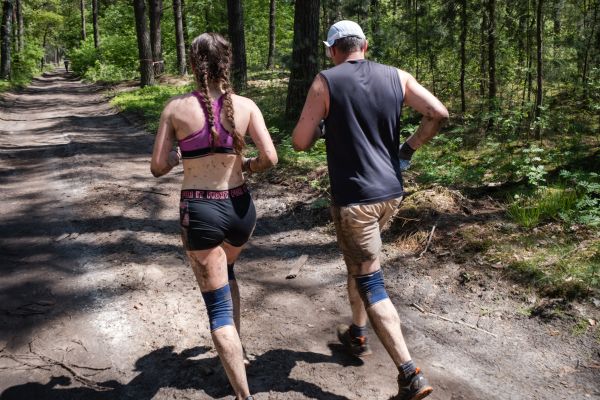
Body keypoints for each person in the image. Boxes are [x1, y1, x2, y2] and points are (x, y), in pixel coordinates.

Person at [291, 20, 448, 400]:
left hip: (355, 199)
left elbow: (299, 142)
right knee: (359, 264)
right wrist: (407, 149)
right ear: (365, 45)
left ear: (332, 50)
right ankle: (357, 333)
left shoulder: (325, 82)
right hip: (390, 193)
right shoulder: (398, 76)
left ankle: (409, 374)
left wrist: (324, 128)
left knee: (370, 280)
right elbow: (438, 113)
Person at [151, 32, 277, 400]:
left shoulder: (175, 109)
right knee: (228, 272)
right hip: (240, 209)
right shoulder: (247, 106)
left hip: (201, 211)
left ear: (194, 64)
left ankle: (243, 395)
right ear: (227, 63)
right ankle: (238, 354)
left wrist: (176, 157)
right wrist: (246, 166)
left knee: (217, 308)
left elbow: (157, 167)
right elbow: (270, 158)